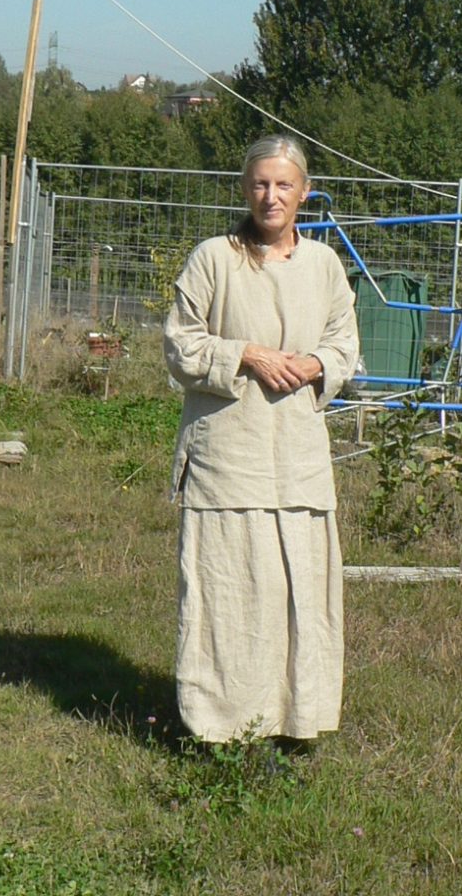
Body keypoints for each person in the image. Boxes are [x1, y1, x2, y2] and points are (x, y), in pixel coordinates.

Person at [163, 135, 359, 744]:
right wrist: (243, 354)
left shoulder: (323, 265)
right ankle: (223, 728)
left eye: (283, 185)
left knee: (297, 594)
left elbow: (345, 343)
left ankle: (295, 723)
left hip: (297, 460)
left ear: (304, 191)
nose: (270, 196)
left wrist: (315, 364)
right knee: (230, 595)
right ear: (244, 189)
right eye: (259, 184)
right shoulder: (214, 258)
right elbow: (180, 344)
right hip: (230, 457)